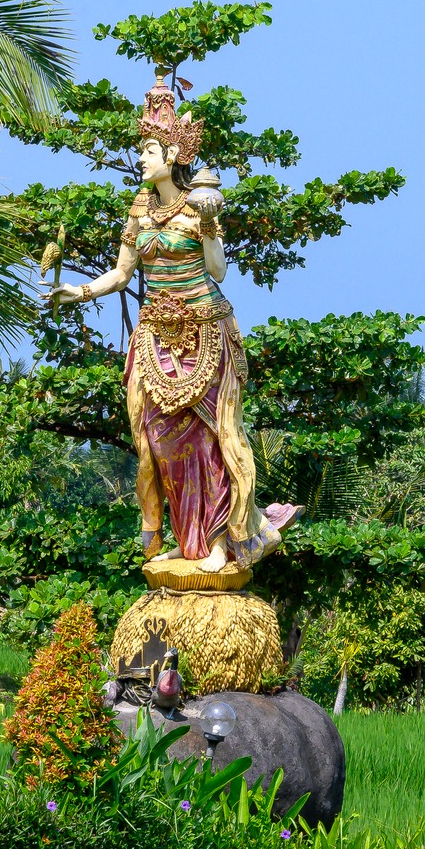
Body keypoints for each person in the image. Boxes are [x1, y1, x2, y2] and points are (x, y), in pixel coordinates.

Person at [49, 73, 298, 572]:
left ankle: (223, 540)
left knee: (211, 441)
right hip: (154, 339)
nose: (141, 158)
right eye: (141, 150)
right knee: (160, 444)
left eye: (148, 150)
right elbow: (122, 273)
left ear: (172, 155)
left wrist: (208, 226)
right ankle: (186, 540)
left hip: (205, 331)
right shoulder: (139, 210)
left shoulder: (199, 207)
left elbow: (218, 271)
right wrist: (79, 291)